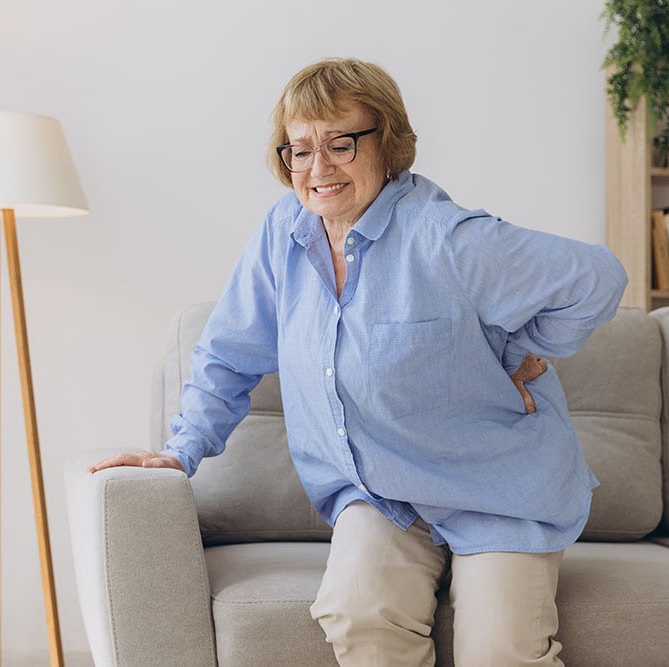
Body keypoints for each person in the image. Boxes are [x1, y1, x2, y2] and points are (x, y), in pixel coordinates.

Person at [89, 57, 627, 666]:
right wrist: (181, 449)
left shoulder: (445, 236)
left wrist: (529, 346)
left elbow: (597, 277)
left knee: (500, 651)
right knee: (358, 615)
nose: (318, 168)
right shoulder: (284, 233)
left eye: (340, 144)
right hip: (381, 492)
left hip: (495, 490)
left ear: (388, 143)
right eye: (300, 149)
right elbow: (228, 354)